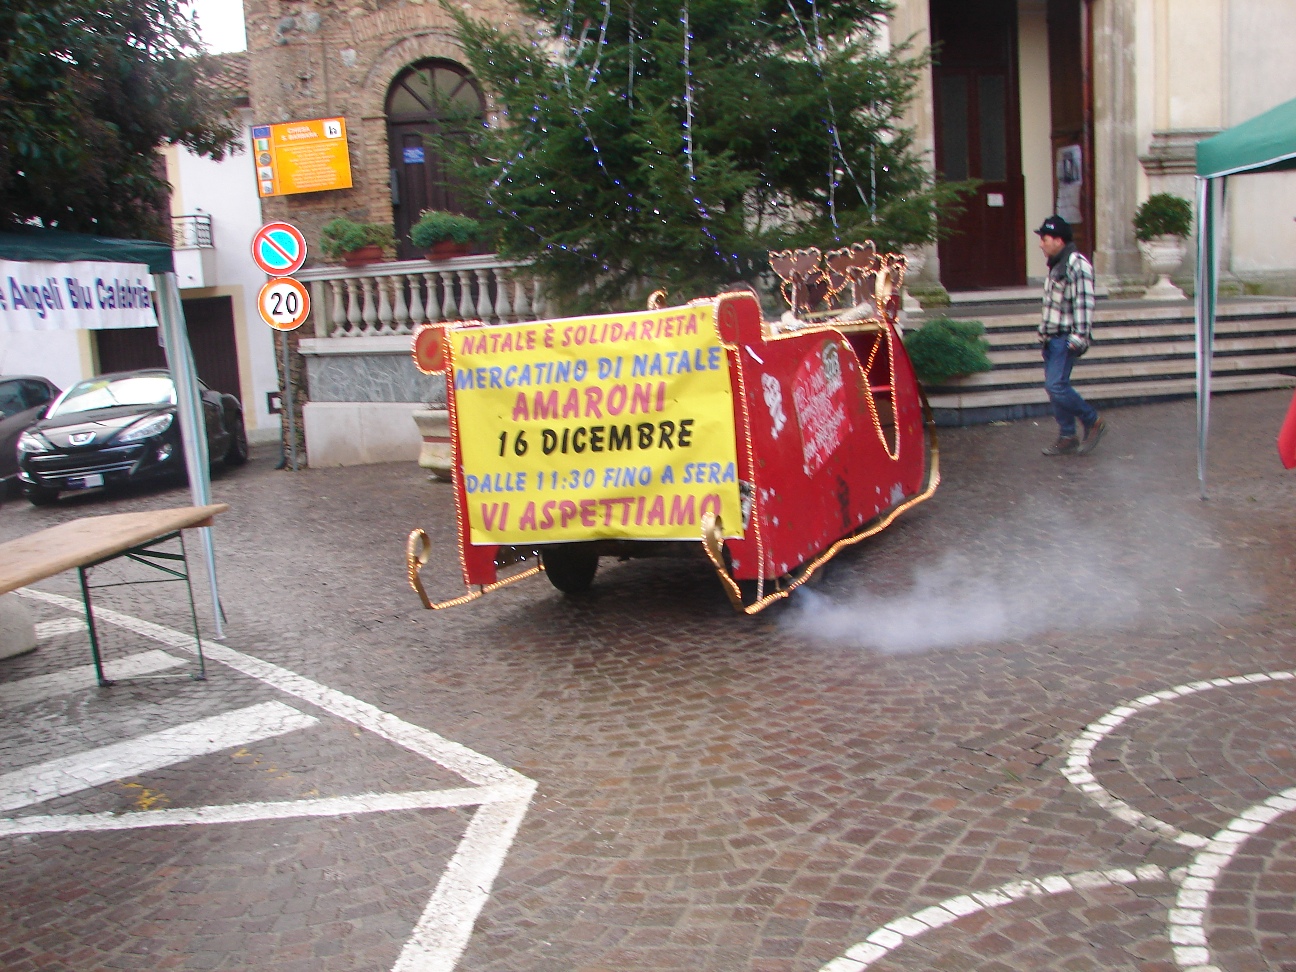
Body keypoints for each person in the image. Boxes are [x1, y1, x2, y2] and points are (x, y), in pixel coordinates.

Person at [1034, 215, 1106, 456]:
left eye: (1044, 239)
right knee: (1055, 387)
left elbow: (1084, 303)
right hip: (1052, 338)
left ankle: (1093, 421)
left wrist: (1079, 337)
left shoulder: (1077, 264)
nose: (1041, 244)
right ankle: (1067, 435)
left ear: (1058, 240)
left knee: (1056, 386)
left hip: (1065, 338)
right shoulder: (1057, 264)